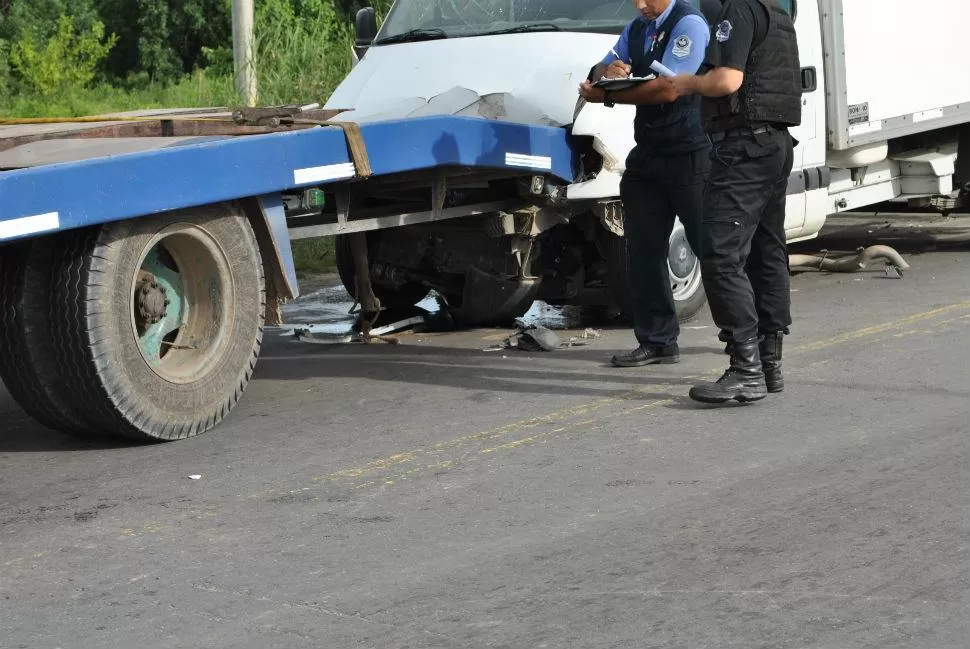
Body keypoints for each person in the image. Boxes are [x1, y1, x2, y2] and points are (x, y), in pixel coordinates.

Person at [668, 0, 802, 403]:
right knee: (766, 251)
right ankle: (769, 364)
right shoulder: (776, 11)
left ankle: (745, 370)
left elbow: (726, 81)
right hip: (774, 143)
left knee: (721, 255)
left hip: (743, 146)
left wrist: (689, 82)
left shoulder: (737, 11)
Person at [578, 0, 711, 368]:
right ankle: (657, 340)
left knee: (713, 250)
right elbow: (598, 68)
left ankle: (749, 336)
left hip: (690, 151)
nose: (640, 5)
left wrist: (607, 94)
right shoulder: (638, 28)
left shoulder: (689, 24)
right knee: (643, 251)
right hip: (649, 152)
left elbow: (669, 89)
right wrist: (609, 70)